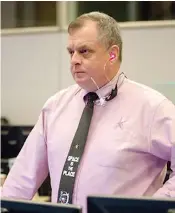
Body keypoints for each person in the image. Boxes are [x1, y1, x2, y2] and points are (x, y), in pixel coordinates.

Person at [1, 11, 175, 212]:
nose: (74, 60)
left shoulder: (152, 108)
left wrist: (154, 206)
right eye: (70, 52)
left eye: (84, 51)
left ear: (112, 54)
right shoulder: (55, 106)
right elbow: (21, 180)